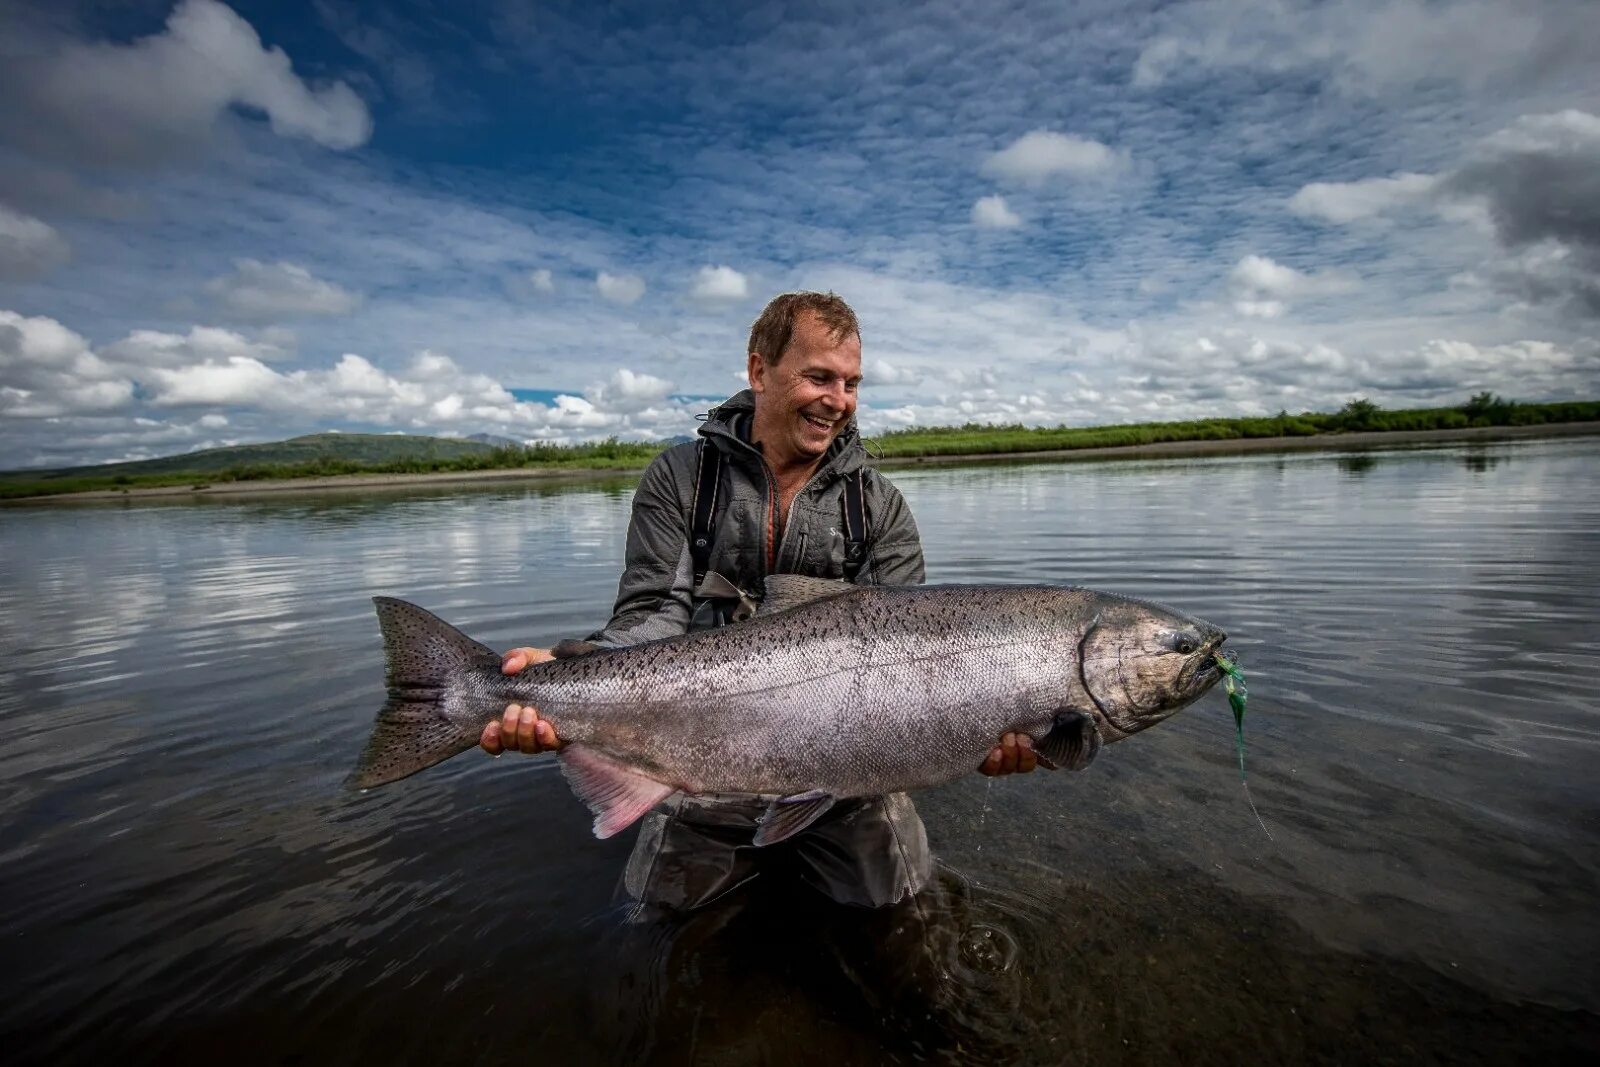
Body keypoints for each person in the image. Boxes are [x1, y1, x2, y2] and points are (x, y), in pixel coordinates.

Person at [482, 291, 1036, 910]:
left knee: (902, 918)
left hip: (851, 775)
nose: (838, 401)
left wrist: (981, 729)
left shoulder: (878, 507)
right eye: (819, 377)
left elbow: (915, 665)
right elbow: (652, 617)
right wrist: (560, 672)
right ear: (758, 372)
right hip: (698, 757)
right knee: (655, 920)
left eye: (851, 383)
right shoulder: (680, 480)